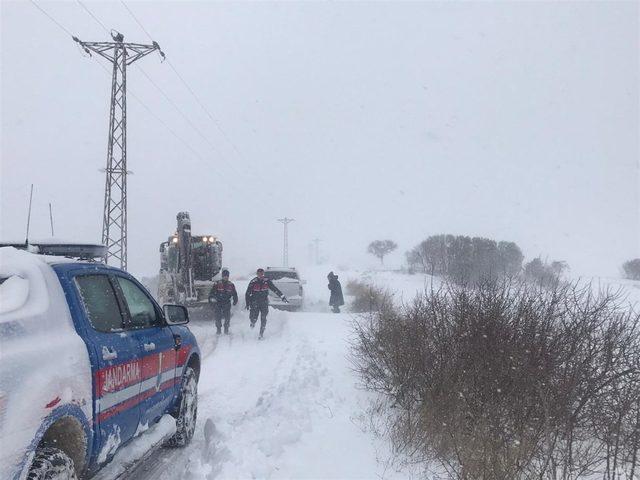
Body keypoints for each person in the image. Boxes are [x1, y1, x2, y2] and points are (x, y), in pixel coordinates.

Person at [245, 268, 287, 339]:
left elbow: (274, 289)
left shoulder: (267, 281)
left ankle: (261, 334)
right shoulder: (253, 282)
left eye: (262, 274)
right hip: (254, 302)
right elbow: (247, 293)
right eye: (259, 274)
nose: (261, 275)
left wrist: (282, 296)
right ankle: (252, 322)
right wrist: (247, 303)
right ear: (257, 274)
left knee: (263, 318)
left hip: (264, 302)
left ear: (263, 274)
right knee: (254, 317)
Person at [209, 269, 238, 335]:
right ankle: (218, 329)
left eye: (227, 276)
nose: (226, 277)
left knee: (227, 317)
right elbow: (212, 293)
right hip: (218, 303)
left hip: (227, 303)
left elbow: (234, 293)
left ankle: (226, 329)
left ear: (228, 276)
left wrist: (235, 300)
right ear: (222, 276)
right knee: (217, 317)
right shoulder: (217, 284)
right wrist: (211, 301)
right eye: (224, 276)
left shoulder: (231, 285)